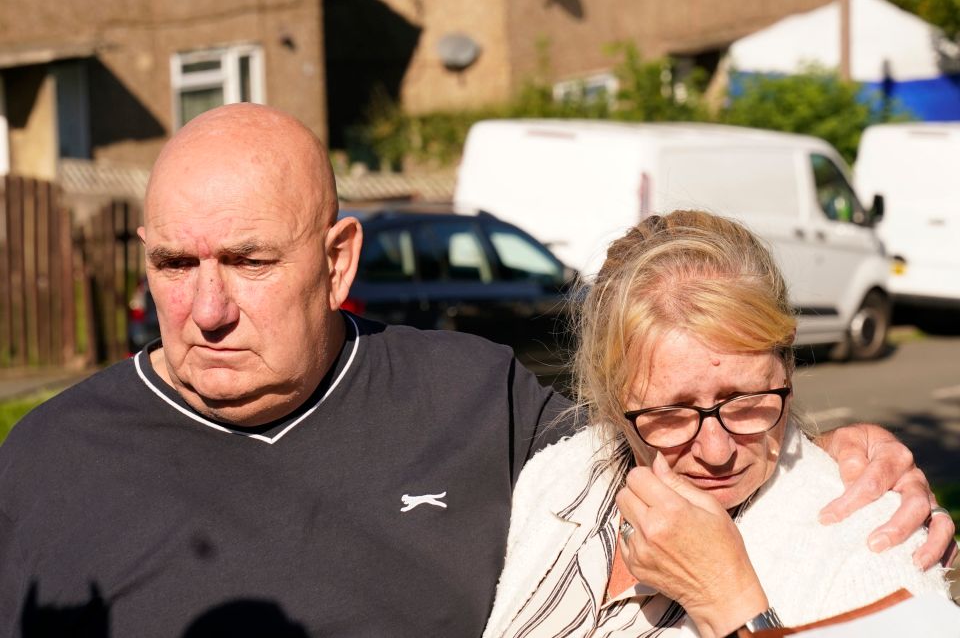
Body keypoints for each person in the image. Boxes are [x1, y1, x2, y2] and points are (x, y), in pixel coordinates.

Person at [0, 105, 951, 637]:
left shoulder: (476, 397)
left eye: (249, 262)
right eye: (173, 264)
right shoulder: (44, 460)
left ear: (338, 262)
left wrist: (835, 446)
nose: (205, 309)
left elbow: (682, 425)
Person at [483, 210, 952, 638]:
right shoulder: (557, 479)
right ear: (610, 401)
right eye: (670, 414)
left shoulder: (872, 543)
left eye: (746, 401)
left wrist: (729, 603)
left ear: (787, 366)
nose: (716, 450)